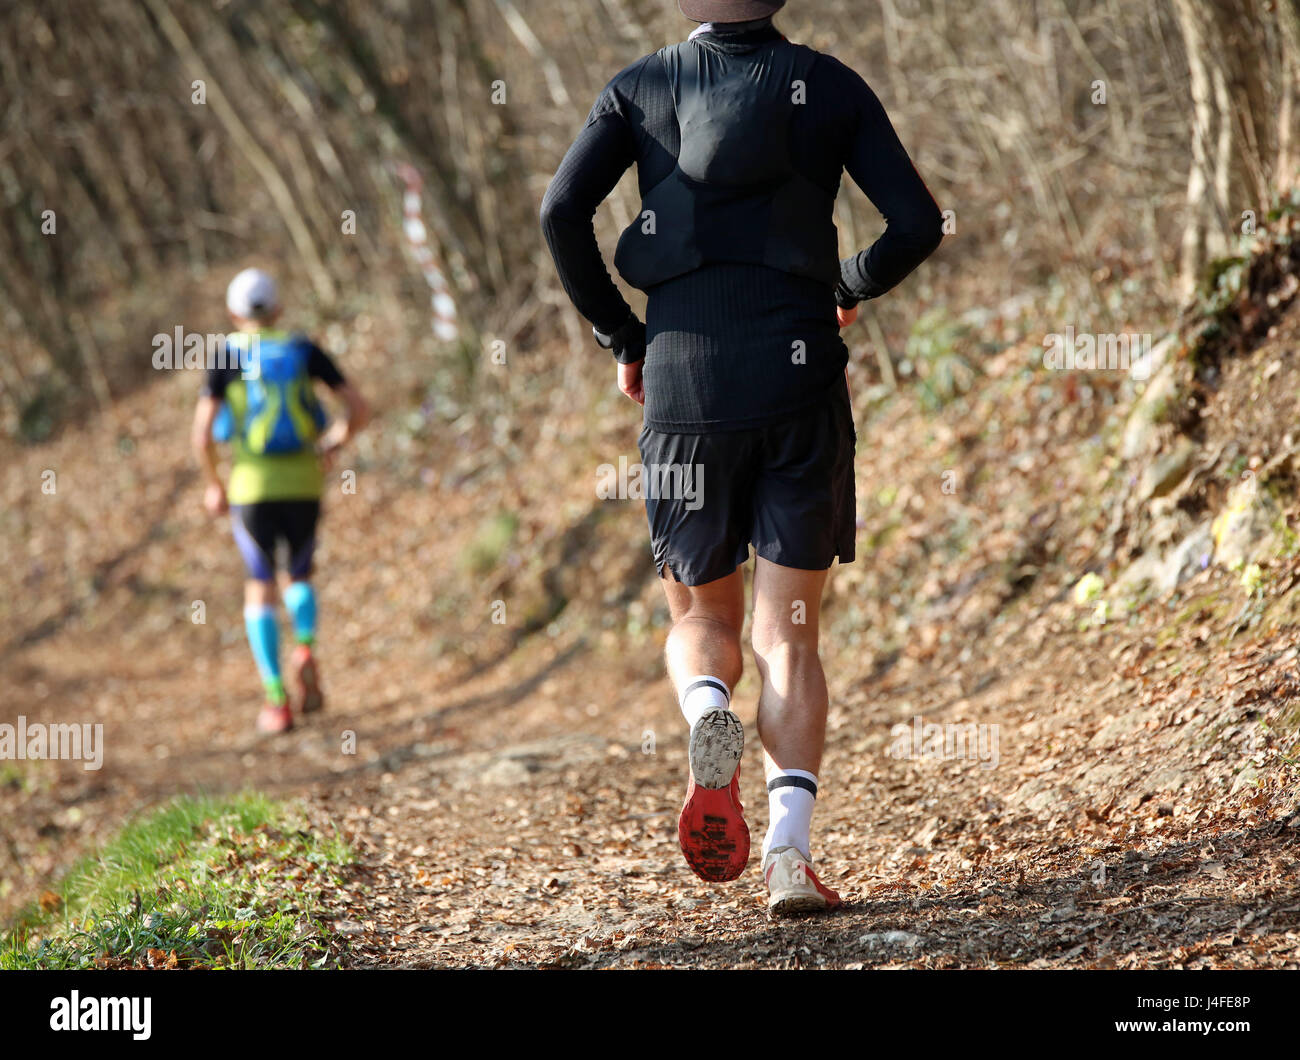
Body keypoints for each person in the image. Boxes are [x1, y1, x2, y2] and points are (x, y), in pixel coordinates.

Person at [540, 0, 942, 914]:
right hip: (800, 378)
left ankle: (704, 711)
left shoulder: (639, 86)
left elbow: (561, 211)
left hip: (684, 382)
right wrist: (845, 287)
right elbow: (916, 221)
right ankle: (789, 859)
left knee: (702, 617)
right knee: (790, 634)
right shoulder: (830, 85)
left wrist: (622, 337)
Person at [191, 268, 370, 734]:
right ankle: (306, 645)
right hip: (304, 482)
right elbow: (358, 407)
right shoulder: (303, 348)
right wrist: (331, 444)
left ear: (233, 312)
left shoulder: (226, 353)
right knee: (300, 572)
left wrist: (214, 484)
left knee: (260, 582)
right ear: (278, 309)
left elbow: (202, 433)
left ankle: (276, 700)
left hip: (250, 487)